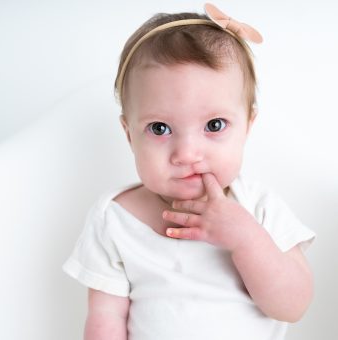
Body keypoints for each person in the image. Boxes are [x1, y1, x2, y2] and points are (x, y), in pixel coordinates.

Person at [63, 3, 316, 340]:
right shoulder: (115, 219)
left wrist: (246, 238)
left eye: (214, 125)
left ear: (247, 127)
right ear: (129, 135)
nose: (186, 154)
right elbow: (104, 318)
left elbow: (292, 306)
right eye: (159, 128)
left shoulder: (257, 207)